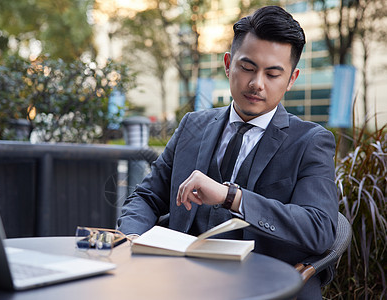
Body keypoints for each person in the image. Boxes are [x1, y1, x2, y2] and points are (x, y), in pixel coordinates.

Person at [117, 6, 338, 299]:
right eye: (247, 68)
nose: (257, 83)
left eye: (273, 74)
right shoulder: (192, 126)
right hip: (184, 280)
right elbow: (146, 196)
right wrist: (132, 237)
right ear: (227, 64)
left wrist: (231, 196)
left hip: (265, 284)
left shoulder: (311, 141)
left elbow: (318, 228)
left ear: (291, 79)